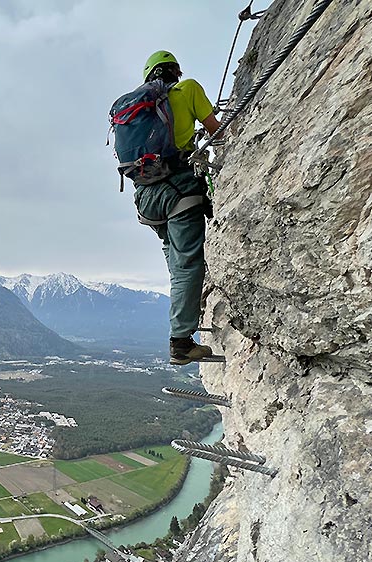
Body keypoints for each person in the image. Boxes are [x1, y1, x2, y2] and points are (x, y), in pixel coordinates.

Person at [133, 50, 221, 365]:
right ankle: (181, 341)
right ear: (176, 73)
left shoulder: (141, 110)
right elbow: (219, 133)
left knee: (175, 262)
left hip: (146, 198)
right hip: (179, 191)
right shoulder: (189, 90)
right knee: (187, 266)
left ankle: (186, 311)